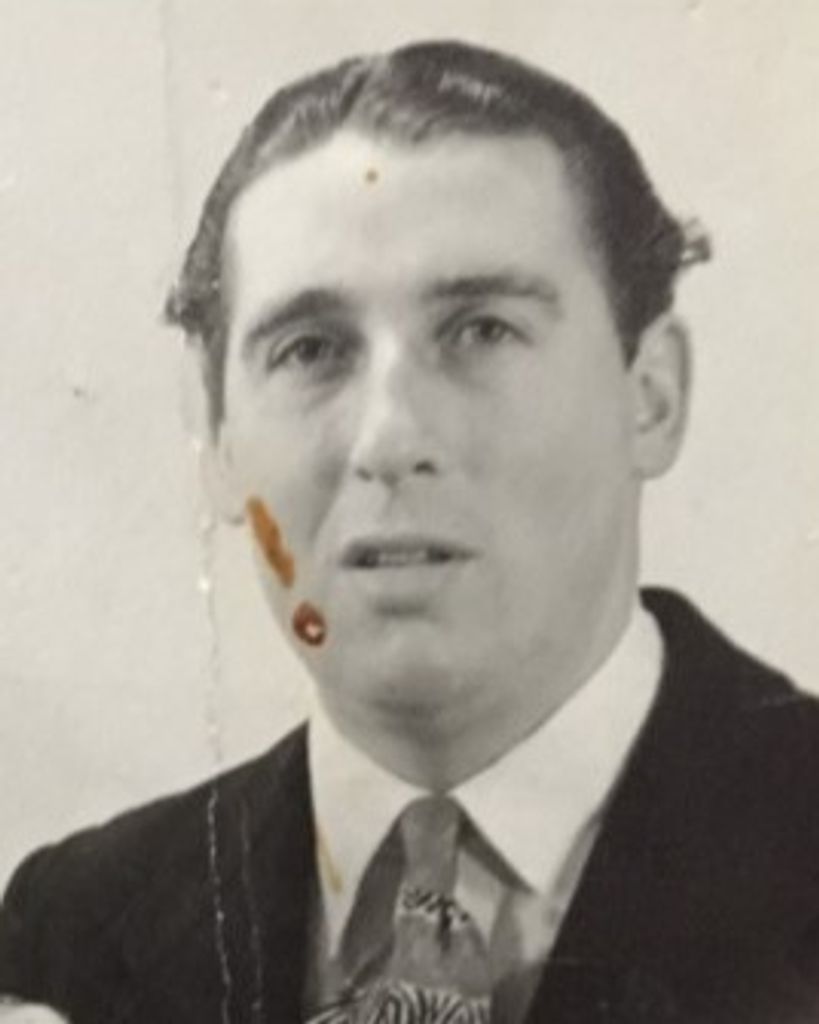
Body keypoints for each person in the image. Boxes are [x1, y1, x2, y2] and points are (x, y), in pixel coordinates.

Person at [1, 39, 818, 1024]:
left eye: (481, 330)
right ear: (216, 435)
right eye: (311, 348)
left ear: (651, 395)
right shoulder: (71, 933)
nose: (390, 438)